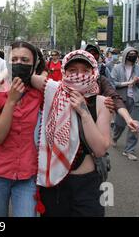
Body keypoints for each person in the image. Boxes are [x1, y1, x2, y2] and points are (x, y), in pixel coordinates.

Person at [37, 50, 111, 217]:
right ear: (64, 71)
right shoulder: (53, 92)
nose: (79, 75)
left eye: (85, 70)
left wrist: (84, 112)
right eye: (73, 70)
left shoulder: (101, 103)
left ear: (94, 72)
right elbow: (24, 75)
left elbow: (100, 149)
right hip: (55, 184)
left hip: (87, 185)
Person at [0, 41, 45, 217]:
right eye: (14, 59)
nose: (19, 64)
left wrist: (32, 78)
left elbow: (65, 89)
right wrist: (11, 101)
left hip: (27, 174)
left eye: (25, 60)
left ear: (34, 64)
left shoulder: (39, 92)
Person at [111, 47, 139, 161]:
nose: (133, 55)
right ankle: (115, 137)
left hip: (135, 100)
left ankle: (129, 150)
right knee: (120, 124)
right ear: (125, 55)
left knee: (134, 125)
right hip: (122, 100)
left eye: (135, 54)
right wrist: (127, 83)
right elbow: (113, 83)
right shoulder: (117, 68)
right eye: (130, 54)